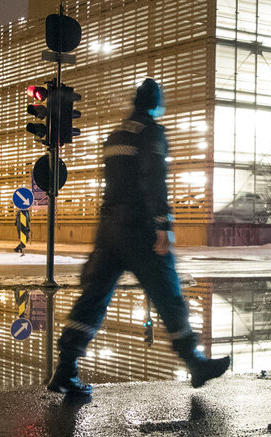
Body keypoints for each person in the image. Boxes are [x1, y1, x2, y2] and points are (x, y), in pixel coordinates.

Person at [48, 78, 230, 398]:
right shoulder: (152, 132)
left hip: (109, 229)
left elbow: (111, 183)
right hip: (140, 229)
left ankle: (65, 369)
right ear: (154, 102)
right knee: (168, 294)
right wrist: (163, 224)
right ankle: (194, 362)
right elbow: (153, 178)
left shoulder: (116, 134)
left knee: (93, 299)